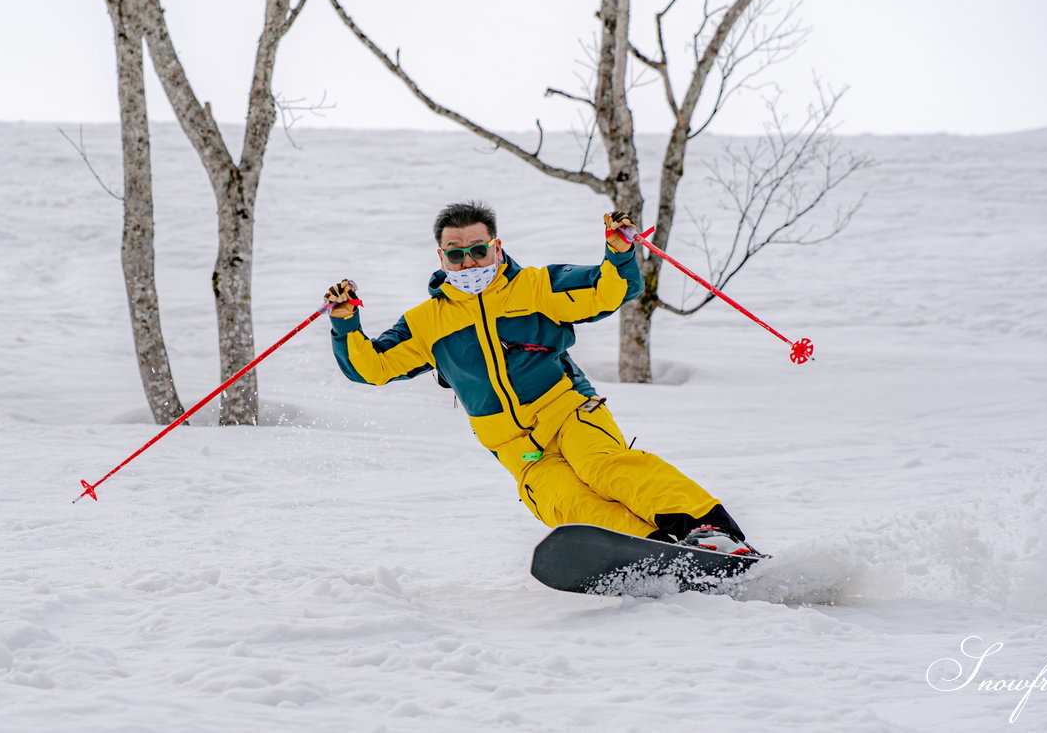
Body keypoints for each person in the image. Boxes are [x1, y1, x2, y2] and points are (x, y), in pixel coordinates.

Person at [323, 200, 756, 555]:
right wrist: (346, 322)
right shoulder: (426, 322)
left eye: (477, 249)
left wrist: (618, 251)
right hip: (515, 445)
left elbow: (608, 290)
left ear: (496, 246)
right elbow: (372, 367)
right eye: (455, 253)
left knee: (603, 467)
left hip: (568, 410)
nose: (467, 260)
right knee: (562, 500)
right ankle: (654, 550)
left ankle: (707, 529)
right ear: (442, 258)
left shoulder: (534, 286)